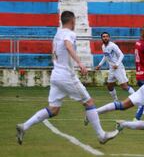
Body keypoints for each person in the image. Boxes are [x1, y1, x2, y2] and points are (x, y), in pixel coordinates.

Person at [16, 11, 118, 145]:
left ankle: (24, 126)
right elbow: (68, 45)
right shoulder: (69, 34)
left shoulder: (57, 34)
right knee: (89, 102)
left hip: (56, 75)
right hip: (66, 76)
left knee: (54, 109)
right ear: (72, 21)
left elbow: (55, 53)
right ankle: (101, 135)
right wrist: (80, 63)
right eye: (74, 21)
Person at [95, 32, 135, 101]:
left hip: (118, 67)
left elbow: (121, 55)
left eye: (107, 36)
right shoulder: (103, 46)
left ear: (109, 38)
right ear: (101, 38)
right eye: (103, 36)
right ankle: (115, 101)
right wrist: (99, 65)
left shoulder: (113, 46)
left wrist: (117, 64)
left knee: (124, 86)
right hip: (112, 68)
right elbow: (105, 56)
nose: (105, 38)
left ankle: (137, 98)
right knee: (110, 86)